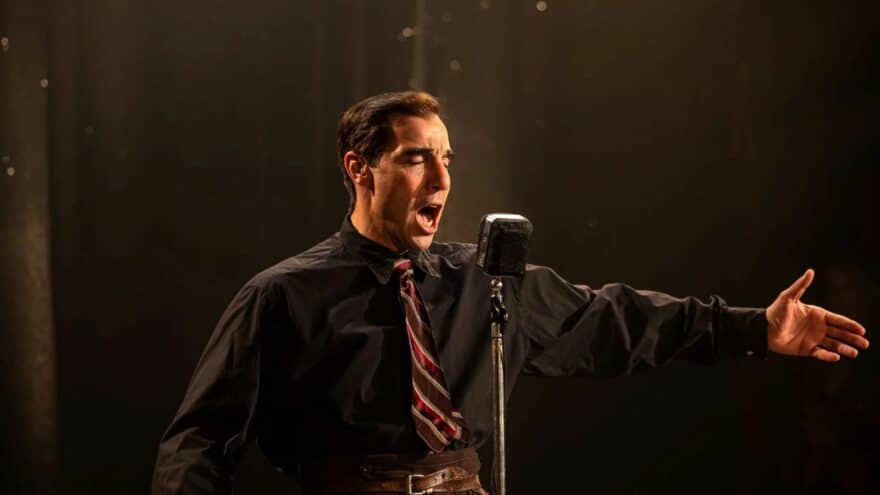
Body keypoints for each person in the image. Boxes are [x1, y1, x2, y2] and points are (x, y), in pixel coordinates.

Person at [151, 91, 870, 495]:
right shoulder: (284, 295)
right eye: (417, 159)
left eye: (447, 160)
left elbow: (615, 319)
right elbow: (200, 439)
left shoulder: (485, 282)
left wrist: (756, 327)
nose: (441, 179)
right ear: (359, 169)